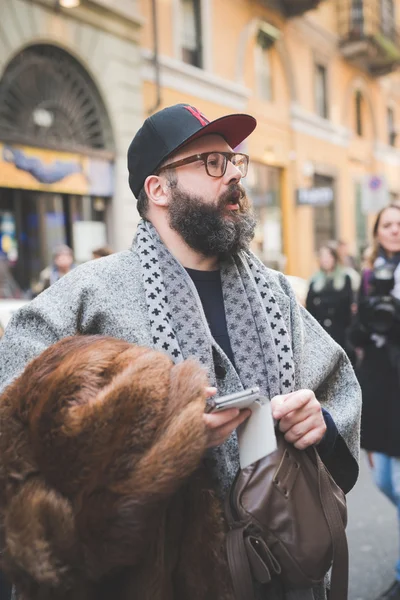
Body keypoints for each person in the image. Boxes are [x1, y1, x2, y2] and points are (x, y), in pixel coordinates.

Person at [0, 103, 361, 600]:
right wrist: (162, 430)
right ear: (158, 189)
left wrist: (319, 421)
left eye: (235, 160)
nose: (234, 173)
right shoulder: (90, 293)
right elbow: (16, 414)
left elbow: (338, 387)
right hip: (154, 576)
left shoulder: (276, 293)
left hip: (282, 569)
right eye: (212, 162)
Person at [349, 204, 400, 600]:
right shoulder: (367, 276)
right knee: (383, 479)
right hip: (381, 385)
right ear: (377, 231)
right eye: (388, 223)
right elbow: (358, 337)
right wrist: (366, 321)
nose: (395, 229)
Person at [306, 244, 353, 353]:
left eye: (329, 256)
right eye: (323, 256)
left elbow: (347, 307)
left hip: (340, 332)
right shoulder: (314, 280)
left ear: (335, 258)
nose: (325, 260)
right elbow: (310, 308)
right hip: (320, 332)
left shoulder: (344, 278)